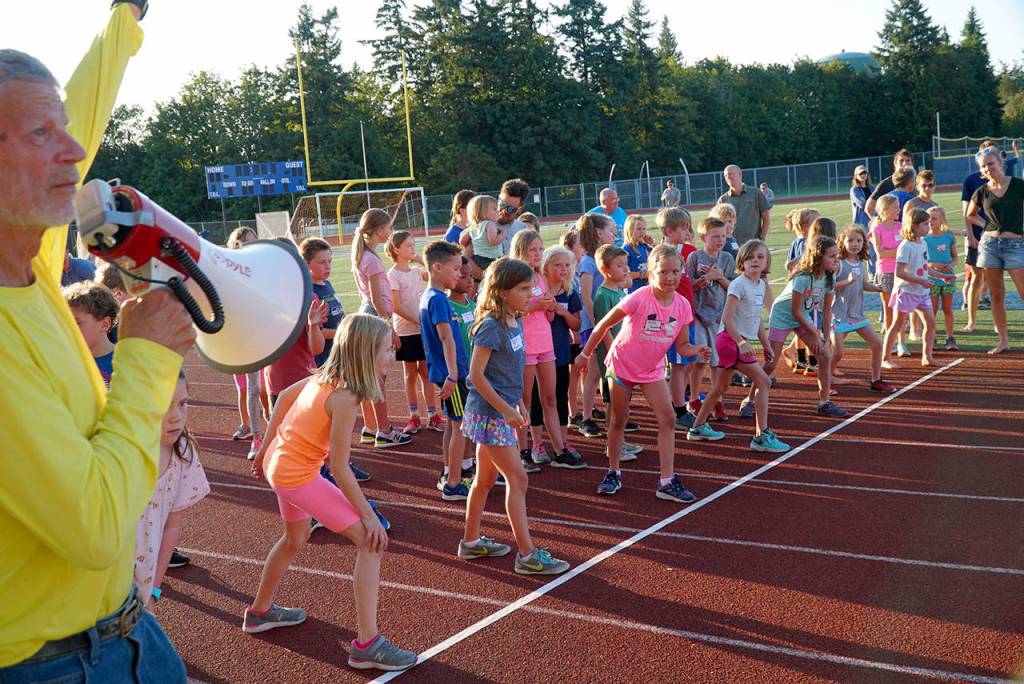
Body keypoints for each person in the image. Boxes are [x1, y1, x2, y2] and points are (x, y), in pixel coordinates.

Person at [0, 7, 195, 679]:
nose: (76, 151)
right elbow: (97, 529)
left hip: (128, 634)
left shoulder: (31, 259)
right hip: (49, 668)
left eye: (64, 129)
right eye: (41, 133)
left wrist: (124, 18)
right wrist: (145, 358)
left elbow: (86, 108)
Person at [248, 315, 417, 671]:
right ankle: (367, 644)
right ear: (365, 353)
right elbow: (340, 467)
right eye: (386, 350)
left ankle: (259, 612)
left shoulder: (325, 376)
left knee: (294, 537)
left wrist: (265, 450)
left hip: (281, 465)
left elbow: (284, 399)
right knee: (372, 542)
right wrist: (370, 518)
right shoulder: (346, 396)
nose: (391, 356)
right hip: (296, 474)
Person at [459, 257, 572, 575]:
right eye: (523, 289)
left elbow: (505, 372)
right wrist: (506, 409)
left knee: (485, 480)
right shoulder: (491, 325)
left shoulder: (515, 319)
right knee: (518, 479)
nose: (529, 293)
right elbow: (477, 376)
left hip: (502, 410)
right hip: (490, 415)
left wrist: (518, 403)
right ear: (502, 290)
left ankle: (470, 542)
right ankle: (527, 555)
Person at [577, 245, 712, 501]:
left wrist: (697, 350)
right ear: (651, 272)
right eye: (663, 272)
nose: (670, 277)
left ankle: (667, 481)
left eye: (675, 271)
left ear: (683, 271)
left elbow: (682, 345)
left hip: (651, 369)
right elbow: (604, 324)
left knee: (668, 418)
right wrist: (585, 354)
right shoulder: (640, 297)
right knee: (618, 419)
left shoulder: (682, 305)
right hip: (622, 366)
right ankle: (613, 472)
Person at [686, 240, 789, 452]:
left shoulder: (759, 285)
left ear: (767, 261)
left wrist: (765, 344)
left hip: (738, 342)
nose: (755, 261)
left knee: (719, 388)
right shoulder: (738, 284)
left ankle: (697, 428)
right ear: (742, 261)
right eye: (750, 257)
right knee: (764, 381)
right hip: (729, 341)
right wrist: (741, 343)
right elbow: (728, 318)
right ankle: (762, 436)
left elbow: (756, 319)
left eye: (760, 257)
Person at [134, 372, 209, 609]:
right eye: (162, 406)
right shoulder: (123, 454)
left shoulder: (182, 453)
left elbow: (171, 527)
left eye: (183, 404)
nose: (176, 417)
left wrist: (154, 589)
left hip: (144, 582)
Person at [511, 230, 585, 469]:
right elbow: (512, 311)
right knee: (525, 399)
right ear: (521, 250)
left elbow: (549, 316)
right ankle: (523, 451)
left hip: (546, 344)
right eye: (533, 250)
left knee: (551, 397)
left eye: (540, 249)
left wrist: (551, 308)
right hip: (524, 345)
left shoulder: (540, 278)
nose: (538, 254)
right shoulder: (513, 277)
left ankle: (560, 448)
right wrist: (536, 306)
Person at [764, 236, 849, 418]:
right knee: (771, 363)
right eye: (832, 256)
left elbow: (826, 311)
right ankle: (749, 398)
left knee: (825, 353)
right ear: (818, 256)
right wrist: (814, 333)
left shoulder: (829, 277)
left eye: (837, 255)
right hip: (783, 316)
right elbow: (795, 311)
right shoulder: (803, 277)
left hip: (802, 316)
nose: (836, 260)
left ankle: (824, 402)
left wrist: (825, 338)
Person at [528, 246, 593, 467]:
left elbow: (576, 324)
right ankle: (537, 443)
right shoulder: (538, 287)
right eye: (558, 265)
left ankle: (562, 441)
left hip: (560, 352)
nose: (563, 269)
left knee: (559, 397)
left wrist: (563, 312)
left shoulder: (570, 292)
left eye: (567, 265)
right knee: (537, 399)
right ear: (546, 266)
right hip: (537, 352)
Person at [351, 209, 411, 448]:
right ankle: (384, 430)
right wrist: (391, 329)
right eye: (388, 228)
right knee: (378, 378)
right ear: (378, 230)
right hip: (375, 318)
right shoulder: (372, 260)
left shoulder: (364, 256)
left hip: (367, 315)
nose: (391, 232)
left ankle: (371, 427)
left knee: (369, 377)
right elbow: (377, 299)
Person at [420, 241, 473, 501]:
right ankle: (453, 482)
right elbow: (446, 339)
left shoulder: (432, 297)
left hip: (450, 372)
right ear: (437, 268)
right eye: (454, 269)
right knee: (459, 426)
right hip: (451, 374)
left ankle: (449, 472)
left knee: (454, 426)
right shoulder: (438, 300)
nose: (458, 274)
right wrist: (453, 374)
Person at [965, 144, 1024, 354]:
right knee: (996, 295)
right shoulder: (981, 191)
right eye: (984, 166)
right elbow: (970, 214)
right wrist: (987, 226)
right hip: (989, 246)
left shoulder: (1018, 185)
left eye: (991, 163)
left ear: (1000, 161)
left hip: (1016, 245)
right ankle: (1003, 341)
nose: (988, 168)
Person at [387, 231, 441, 435]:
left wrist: (418, 258)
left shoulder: (417, 272)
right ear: (396, 250)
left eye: (414, 245)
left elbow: (434, 272)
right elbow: (396, 306)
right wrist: (418, 320)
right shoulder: (392, 275)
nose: (413, 249)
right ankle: (414, 416)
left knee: (426, 373)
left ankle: (433, 415)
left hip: (422, 331)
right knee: (410, 375)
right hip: (406, 331)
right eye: (409, 246)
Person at [882, 209, 950, 367]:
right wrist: (921, 281)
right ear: (914, 226)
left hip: (921, 292)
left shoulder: (923, 243)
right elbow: (899, 273)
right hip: (906, 292)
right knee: (898, 324)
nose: (929, 226)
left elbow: (924, 267)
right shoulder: (906, 246)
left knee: (930, 323)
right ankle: (885, 358)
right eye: (925, 224)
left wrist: (940, 276)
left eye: (930, 223)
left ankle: (927, 357)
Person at [830, 225, 894, 393]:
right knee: (837, 353)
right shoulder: (839, 264)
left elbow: (864, 284)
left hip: (857, 315)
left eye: (858, 240)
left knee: (877, 345)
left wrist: (878, 287)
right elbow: (830, 287)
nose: (855, 244)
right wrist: (848, 282)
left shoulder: (860, 262)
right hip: (839, 315)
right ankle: (825, 380)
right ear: (841, 242)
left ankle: (876, 380)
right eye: (850, 240)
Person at [685, 217, 736, 422]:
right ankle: (695, 399)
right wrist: (705, 279)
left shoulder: (727, 259)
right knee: (700, 360)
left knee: (717, 363)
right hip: (699, 315)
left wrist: (719, 277)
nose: (720, 240)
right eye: (715, 236)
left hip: (719, 316)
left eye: (723, 236)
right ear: (704, 237)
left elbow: (732, 288)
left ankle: (717, 400)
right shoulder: (695, 258)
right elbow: (688, 287)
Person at [655, 207, 698, 430]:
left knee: (684, 364)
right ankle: (679, 409)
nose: (688, 231)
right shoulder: (679, 252)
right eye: (683, 228)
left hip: (686, 316)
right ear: (670, 231)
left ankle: (677, 400)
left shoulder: (683, 249)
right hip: (676, 319)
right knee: (679, 366)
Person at [575, 213, 617, 438]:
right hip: (594, 324)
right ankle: (586, 417)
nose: (614, 233)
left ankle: (611, 414)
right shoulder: (588, 262)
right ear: (599, 233)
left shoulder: (604, 260)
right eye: (611, 230)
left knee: (605, 371)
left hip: (607, 324)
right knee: (592, 373)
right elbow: (586, 296)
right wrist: (596, 323)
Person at [869, 195, 906, 364]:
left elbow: (905, 248)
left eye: (898, 207)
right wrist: (898, 251)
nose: (898, 210)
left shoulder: (901, 226)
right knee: (889, 308)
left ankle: (901, 342)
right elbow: (881, 253)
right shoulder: (877, 229)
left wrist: (895, 250)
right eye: (895, 208)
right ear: (884, 210)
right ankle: (890, 344)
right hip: (885, 272)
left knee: (902, 308)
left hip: (902, 271)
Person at [63, 281, 118, 388]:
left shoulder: (122, 363)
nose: (68, 328)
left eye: (76, 323)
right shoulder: (65, 360)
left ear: (105, 324)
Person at [923, 207, 958, 351]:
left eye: (935, 218)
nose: (931, 221)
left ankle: (950, 337)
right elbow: (922, 261)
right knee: (932, 311)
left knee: (947, 309)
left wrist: (949, 265)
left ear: (942, 219)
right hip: (932, 279)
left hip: (948, 278)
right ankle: (933, 337)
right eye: (929, 218)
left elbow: (955, 257)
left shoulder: (948, 236)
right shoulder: (924, 238)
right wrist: (931, 264)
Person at [716, 165, 770, 244]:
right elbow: (717, 223)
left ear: (740, 174)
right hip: (731, 244)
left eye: (730, 174)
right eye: (726, 175)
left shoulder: (755, 193)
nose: (728, 177)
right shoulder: (723, 199)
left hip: (752, 243)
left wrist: (762, 237)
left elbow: (766, 217)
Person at [865, 148, 915, 218]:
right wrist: (882, 224)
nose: (904, 163)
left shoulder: (913, 183)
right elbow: (869, 207)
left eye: (908, 160)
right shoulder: (886, 183)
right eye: (901, 161)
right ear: (895, 164)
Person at [466, 194, 503, 272]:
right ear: (483, 213)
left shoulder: (474, 227)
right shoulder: (490, 224)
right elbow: (493, 241)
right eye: (495, 209)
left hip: (478, 258)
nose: (498, 211)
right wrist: (502, 234)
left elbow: (461, 241)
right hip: (491, 259)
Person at [622, 214, 652, 292]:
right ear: (630, 230)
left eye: (644, 229)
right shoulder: (626, 249)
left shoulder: (644, 246)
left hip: (646, 289)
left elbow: (660, 256)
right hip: (633, 290)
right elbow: (624, 274)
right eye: (638, 229)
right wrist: (642, 275)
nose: (642, 232)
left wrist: (653, 244)